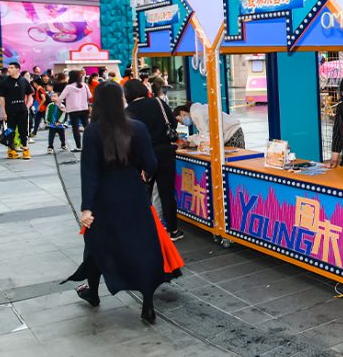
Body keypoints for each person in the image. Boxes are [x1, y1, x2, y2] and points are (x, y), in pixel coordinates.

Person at [64, 82, 182, 323]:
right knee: (142, 246)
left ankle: (93, 292)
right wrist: (141, 171)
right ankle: (148, 305)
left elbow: (89, 172)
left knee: (96, 245)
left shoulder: (93, 131)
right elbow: (151, 163)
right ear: (121, 101)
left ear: (97, 103)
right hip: (134, 195)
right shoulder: (137, 128)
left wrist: (87, 207)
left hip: (104, 198)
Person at [124, 79, 182, 241]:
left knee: (145, 193)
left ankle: (149, 229)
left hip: (143, 155)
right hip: (165, 152)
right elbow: (173, 123)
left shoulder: (129, 111)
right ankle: (173, 230)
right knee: (166, 193)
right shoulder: (158, 102)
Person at [0, 62, 34, 160]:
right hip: (10, 111)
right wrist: (3, 112)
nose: (9, 69)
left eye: (11, 68)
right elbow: (2, 98)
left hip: (22, 110)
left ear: (17, 69)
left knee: (23, 130)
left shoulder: (24, 81)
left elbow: (30, 94)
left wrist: (28, 105)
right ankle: (11, 151)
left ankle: (25, 149)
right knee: (10, 131)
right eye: (8, 68)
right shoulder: (4, 82)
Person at [173, 102, 245, 149]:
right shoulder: (196, 112)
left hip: (232, 134)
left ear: (182, 113)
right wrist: (188, 141)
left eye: (179, 120)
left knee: (236, 161)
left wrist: (188, 141)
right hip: (229, 133)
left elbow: (206, 138)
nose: (181, 123)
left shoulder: (197, 113)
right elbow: (203, 134)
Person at [58, 70, 91, 152]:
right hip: (84, 108)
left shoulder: (68, 87)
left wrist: (61, 106)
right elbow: (90, 96)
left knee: (75, 128)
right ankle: (91, 145)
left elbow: (60, 98)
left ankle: (78, 146)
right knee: (87, 127)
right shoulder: (84, 85)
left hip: (73, 110)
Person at [45, 87, 68, 153]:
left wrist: (59, 122)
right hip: (52, 124)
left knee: (62, 136)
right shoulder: (50, 105)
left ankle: (63, 144)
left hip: (60, 125)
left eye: (55, 96)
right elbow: (47, 112)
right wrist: (46, 121)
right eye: (52, 96)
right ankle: (50, 147)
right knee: (51, 137)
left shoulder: (61, 106)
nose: (53, 97)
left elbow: (64, 114)